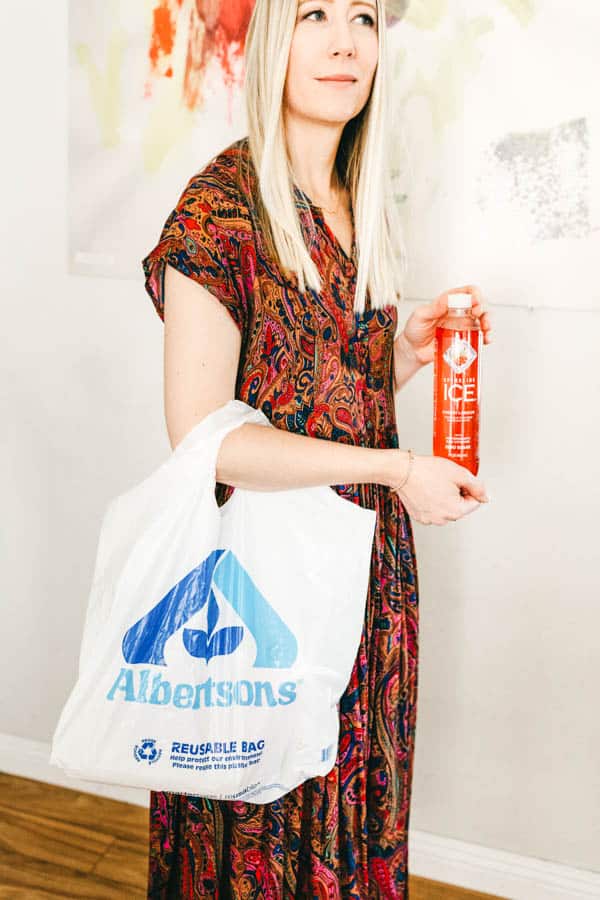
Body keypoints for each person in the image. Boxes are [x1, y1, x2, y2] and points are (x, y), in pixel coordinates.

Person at [141, 0, 492, 896]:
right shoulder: (220, 211)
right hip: (260, 604)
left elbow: (322, 394)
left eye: (366, 18)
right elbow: (206, 439)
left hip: (369, 586)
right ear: (271, 43)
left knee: (352, 829)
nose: (346, 41)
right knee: (261, 843)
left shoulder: (354, 201)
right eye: (316, 14)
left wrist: (401, 356)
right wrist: (395, 469)